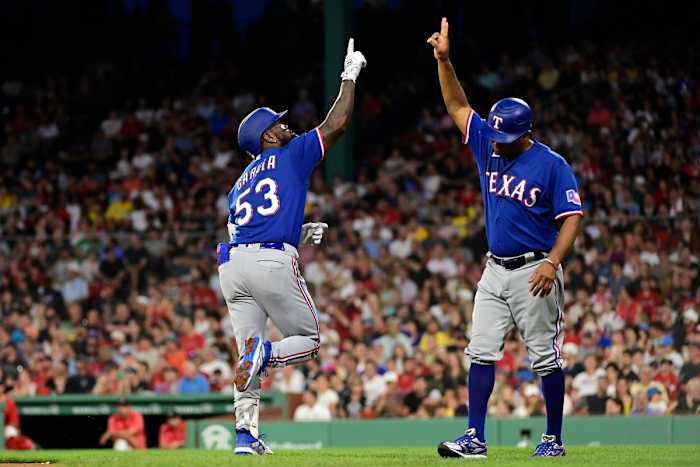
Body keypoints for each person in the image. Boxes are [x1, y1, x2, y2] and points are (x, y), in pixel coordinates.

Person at [427, 17, 582, 458]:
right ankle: (474, 437)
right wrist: (445, 61)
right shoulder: (488, 144)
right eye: (494, 134)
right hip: (494, 268)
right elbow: (457, 105)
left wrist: (552, 263)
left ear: (525, 134)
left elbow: (572, 217)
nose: (496, 142)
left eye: (505, 137)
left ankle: (553, 438)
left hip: (536, 269)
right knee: (480, 350)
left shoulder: (552, 165)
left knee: (545, 358)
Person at [217, 38, 366, 456]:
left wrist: (296, 231)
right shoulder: (289, 154)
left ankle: (246, 437)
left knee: (245, 352)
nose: (287, 125)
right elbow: (336, 125)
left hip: (232, 267)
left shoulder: (239, 182)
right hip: (269, 261)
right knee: (308, 339)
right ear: (268, 136)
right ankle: (264, 354)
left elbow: (243, 231)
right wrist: (348, 77)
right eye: (279, 124)